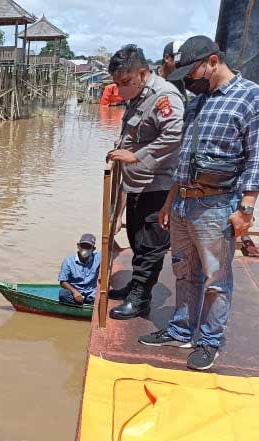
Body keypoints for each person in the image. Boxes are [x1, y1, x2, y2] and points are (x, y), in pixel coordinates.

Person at [138, 35, 259, 371]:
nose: (190, 79)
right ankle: (181, 330)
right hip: (184, 202)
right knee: (183, 271)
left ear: (213, 61)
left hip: (217, 204)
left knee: (216, 279)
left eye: (193, 70)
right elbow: (184, 160)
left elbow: (258, 158)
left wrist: (247, 209)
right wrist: (170, 203)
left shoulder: (251, 97)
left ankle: (209, 341)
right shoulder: (198, 102)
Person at [106, 44, 184, 319]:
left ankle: (141, 298)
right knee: (136, 238)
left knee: (151, 244)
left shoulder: (164, 96)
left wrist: (136, 157)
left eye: (125, 82)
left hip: (157, 184)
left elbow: (174, 136)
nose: (121, 90)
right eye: (117, 84)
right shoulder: (139, 97)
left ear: (142, 73)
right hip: (137, 183)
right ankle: (135, 286)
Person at [58, 233, 101, 305]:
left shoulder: (98, 258)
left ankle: (88, 304)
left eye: (88, 246)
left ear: (93, 249)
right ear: (78, 246)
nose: (85, 249)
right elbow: (63, 281)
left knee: (106, 297)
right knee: (63, 294)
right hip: (76, 295)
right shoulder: (68, 261)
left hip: (93, 295)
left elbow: (109, 248)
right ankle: (84, 305)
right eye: (83, 246)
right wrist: (74, 292)